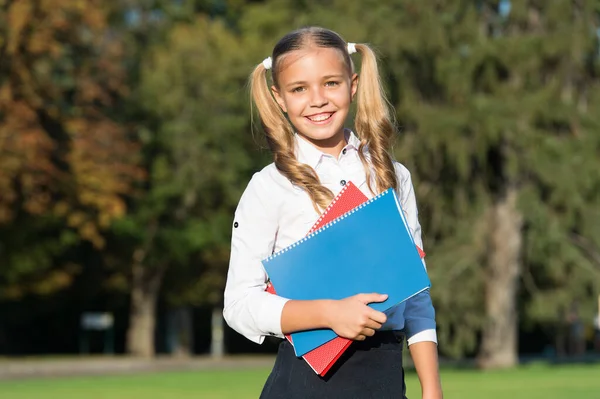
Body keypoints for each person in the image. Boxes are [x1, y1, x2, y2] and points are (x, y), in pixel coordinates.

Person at [223, 26, 442, 399]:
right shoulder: (269, 186)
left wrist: (432, 388)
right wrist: (328, 314)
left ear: (353, 85)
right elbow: (239, 305)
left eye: (330, 83)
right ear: (279, 97)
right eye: (299, 89)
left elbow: (416, 293)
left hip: (386, 379)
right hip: (306, 382)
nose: (317, 100)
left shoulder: (393, 175)